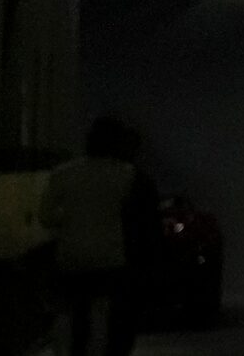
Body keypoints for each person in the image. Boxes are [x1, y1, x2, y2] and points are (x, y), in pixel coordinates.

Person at [39, 116, 141, 355]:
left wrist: (69, 221)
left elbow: (45, 216)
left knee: (67, 310)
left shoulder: (64, 173)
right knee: (100, 314)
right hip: (108, 256)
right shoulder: (125, 174)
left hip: (71, 254)